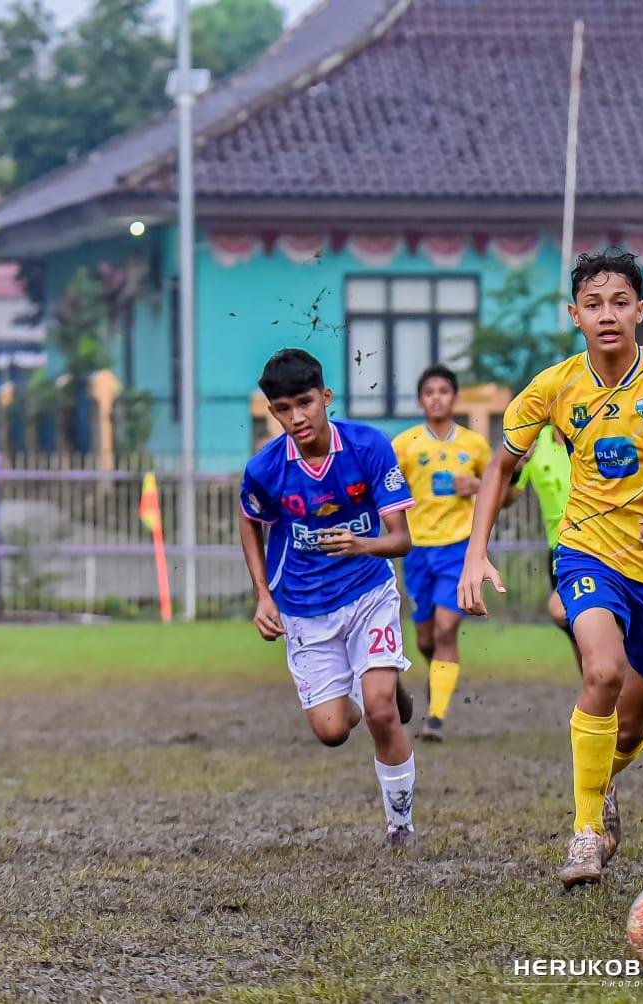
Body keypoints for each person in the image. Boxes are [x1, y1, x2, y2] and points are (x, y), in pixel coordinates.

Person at [458, 250, 643, 888]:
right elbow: (500, 466)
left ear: (640, 311)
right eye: (593, 305)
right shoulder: (553, 386)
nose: (607, 315)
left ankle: (603, 785)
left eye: (620, 303)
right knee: (601, 671)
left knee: (631, 728)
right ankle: (583, 835)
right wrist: (475, 550)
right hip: (587, 550)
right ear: (574, 315)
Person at [237, 349, 421, 847]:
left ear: (326, 397)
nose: (296, 417)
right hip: (302, 606)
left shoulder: (367, 447)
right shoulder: (266, 469)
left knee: (382, 713)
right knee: (332, 730)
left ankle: (400, 826)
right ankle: (375, 683)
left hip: (367, 592)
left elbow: (401, 539)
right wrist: (262, 595)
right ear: (272, 412)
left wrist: (361, 544)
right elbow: (251, 521)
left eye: (304, 403)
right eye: (282, 409)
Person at [391, 364, 491, 743]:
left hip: (458, 549)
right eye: (429, 391)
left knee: (447, 629)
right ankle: (439, 678)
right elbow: (386, 492)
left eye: (443, 391)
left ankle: (435, 717)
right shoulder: (404, 444)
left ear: (454, 398)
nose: (436, 397)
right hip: (417, 551)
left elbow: (504, 492)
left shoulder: (474, 444)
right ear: (420, 400)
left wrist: (480, 484)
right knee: (427, 640)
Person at [512, 424, 580, 667]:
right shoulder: (536, 441)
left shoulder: (593, 427)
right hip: (559, 549)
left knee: (565, 611)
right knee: (574, 625)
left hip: (600, 544)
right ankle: (600, 693)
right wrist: (517, 465)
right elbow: (507, 498)